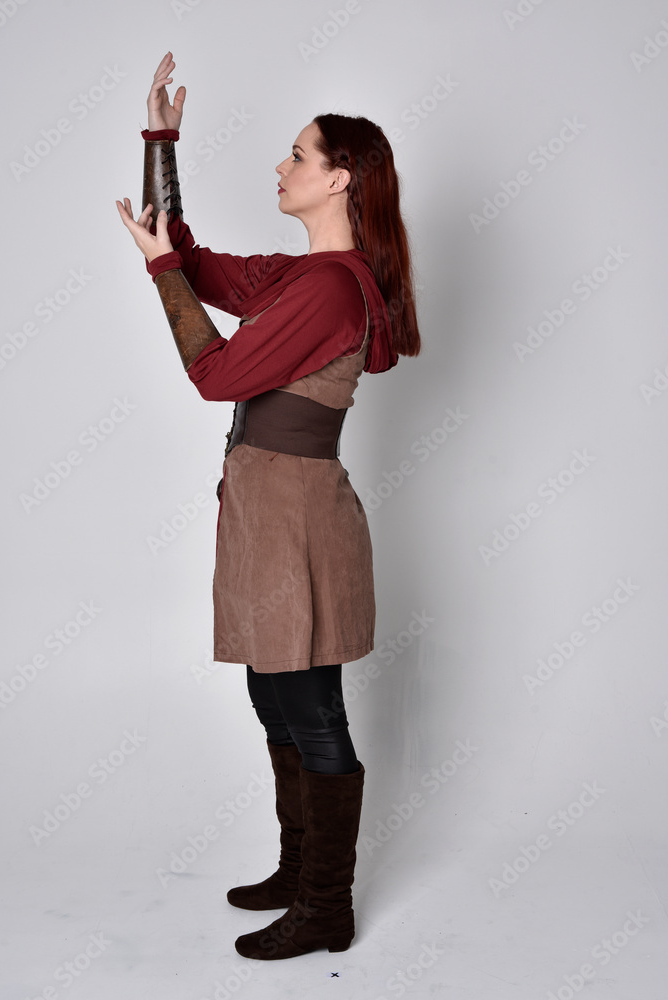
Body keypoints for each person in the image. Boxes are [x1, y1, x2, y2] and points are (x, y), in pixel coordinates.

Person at [116, 51, 420, 962]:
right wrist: (161, 142)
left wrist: (161, 274)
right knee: (272, 689)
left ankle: (327, 907)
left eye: (297, 156)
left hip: (297, 519)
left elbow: (214, 374)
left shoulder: (328, 288)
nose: (280, 167)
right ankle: (299, 871)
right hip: (266, 512)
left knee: (311, 704)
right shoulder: (302, 276)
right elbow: (188, 253)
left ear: (340, 179)